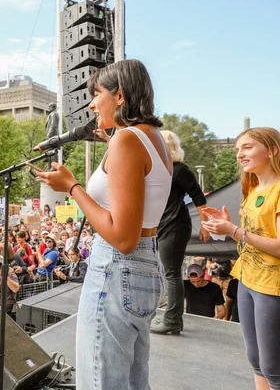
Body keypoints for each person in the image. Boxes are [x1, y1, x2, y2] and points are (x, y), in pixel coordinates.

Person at [33, 60, 172, 389]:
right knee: (134, 381)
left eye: (96, 94)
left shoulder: (126, 141)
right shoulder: (155, 139)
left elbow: (123, 237)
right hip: (145, 265)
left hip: (117, 265)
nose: (92, 104)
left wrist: (71, 187)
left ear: (120, 96)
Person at [201, 127, 280, 390]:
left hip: (272, 286)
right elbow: (253, 238)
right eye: (237, 150)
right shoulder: (254, 190)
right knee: (256, 361)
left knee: (274, 367)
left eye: (247, 147)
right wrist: (228, 226)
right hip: (247, 281)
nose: (239, 155)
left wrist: (234, 230)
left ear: (272, 150)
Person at [150, 130, 210, 335]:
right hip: (164, 225)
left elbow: (199, 198)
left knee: (172, 273)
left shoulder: (179, 170)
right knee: (169, 272)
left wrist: (204, 225)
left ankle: (173, 320)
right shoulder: (160, 170)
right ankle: (172, 318)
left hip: (175, 225)